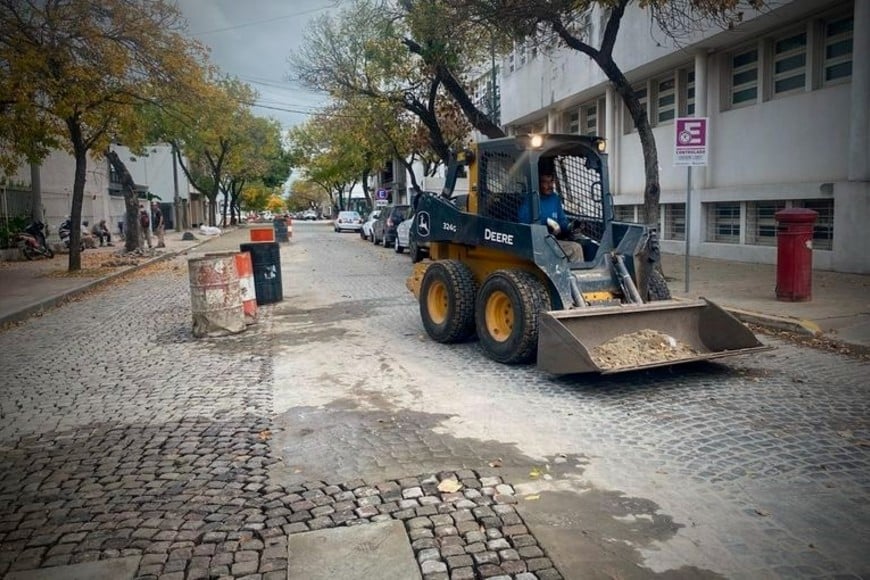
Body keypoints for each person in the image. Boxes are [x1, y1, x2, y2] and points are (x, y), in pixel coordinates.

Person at [518, 168, 585, 262]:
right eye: (545, 182)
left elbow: (562, 220)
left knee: (579, 243)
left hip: (552, 241)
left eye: (551, 181)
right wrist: (546, 221)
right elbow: (523, 222)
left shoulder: (554, 198)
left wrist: (570, 227)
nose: (549, 185)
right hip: (535, 243)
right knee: (575, 249)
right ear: (538, 183)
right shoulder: (530, 199)